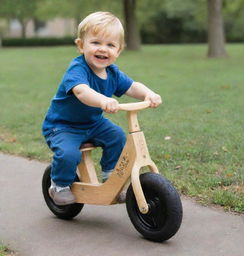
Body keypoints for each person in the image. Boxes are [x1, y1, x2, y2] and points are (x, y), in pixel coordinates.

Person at [42, 11, 162, 206]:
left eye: (110, 45)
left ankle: (110, 177)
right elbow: (82, 92)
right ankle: (59, 185)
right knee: (68, 154)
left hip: (93, 123)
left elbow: (132, 86)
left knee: (116, 136)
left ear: (118, 51)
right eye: (96, 43)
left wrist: (149, 94)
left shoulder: (113, 73)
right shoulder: (78, 69)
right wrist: (102, 101)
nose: (103, 49)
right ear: (81, 46)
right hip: (63, 125)